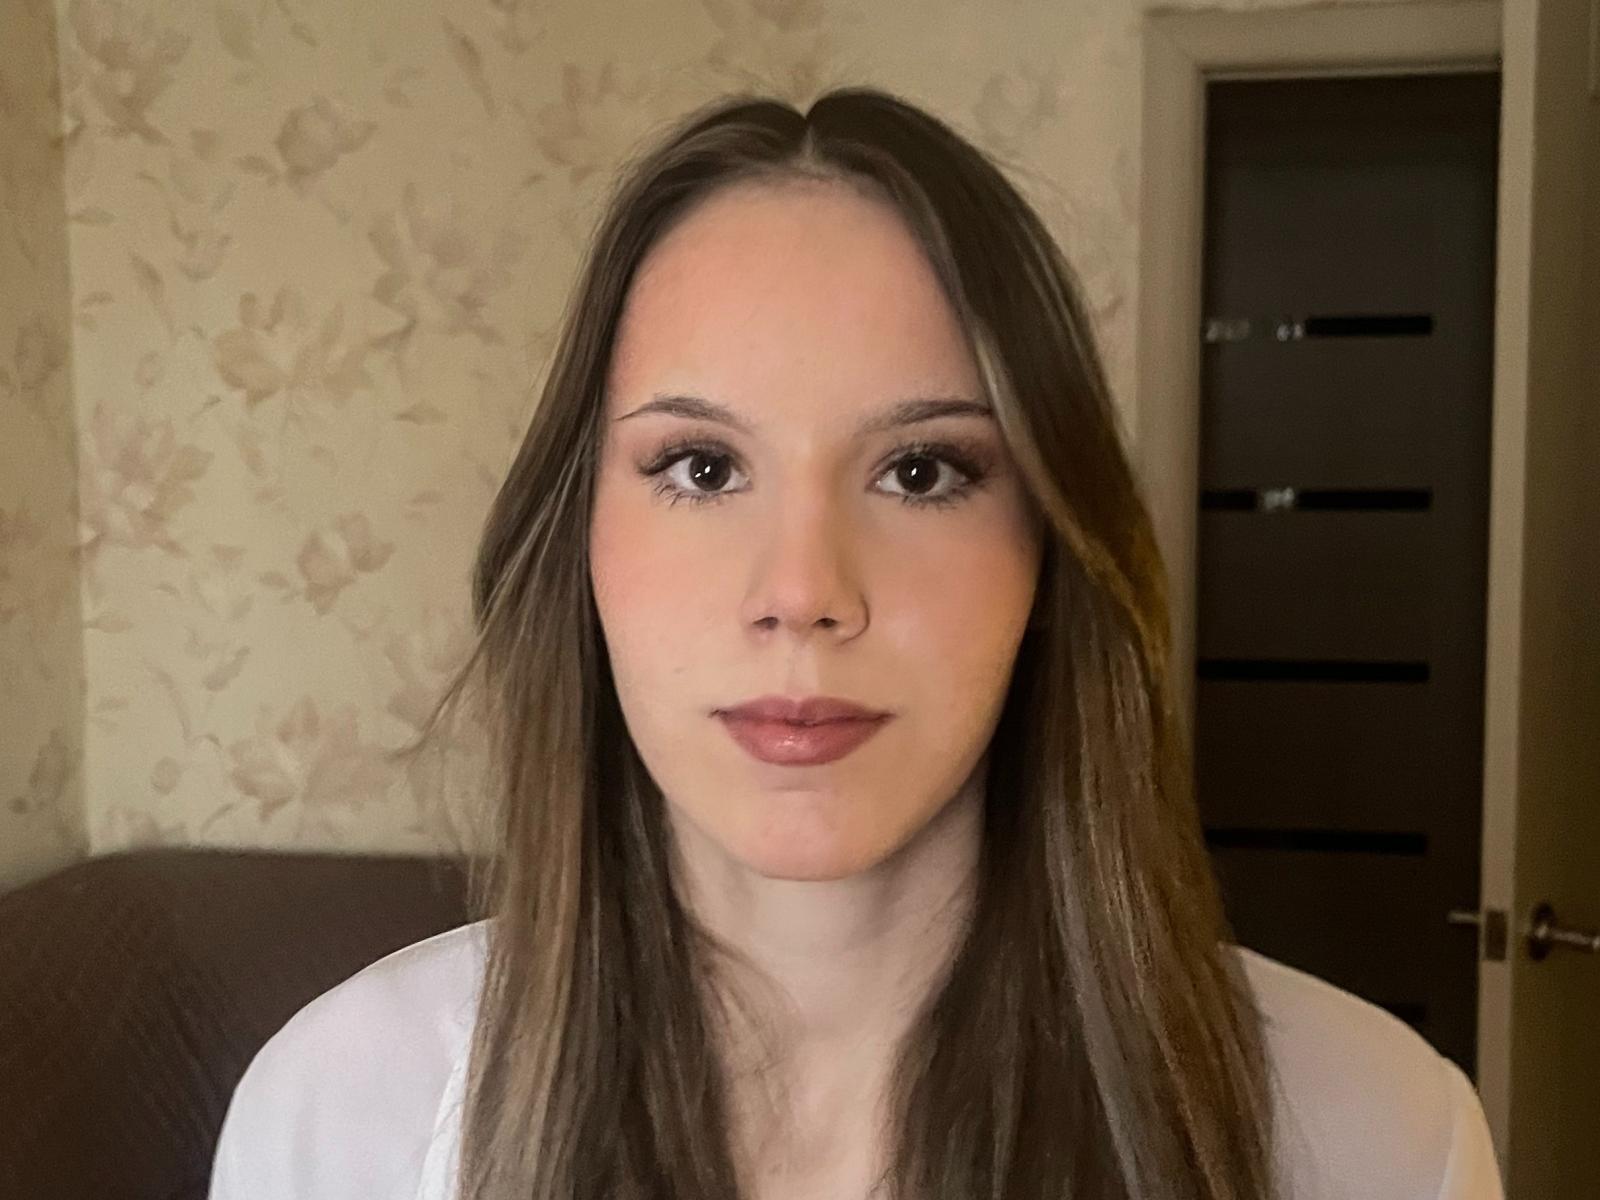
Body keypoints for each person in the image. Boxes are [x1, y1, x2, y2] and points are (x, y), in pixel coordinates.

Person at [206, 87, 1504, 1200]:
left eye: (924, 471)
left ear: (1051, 551)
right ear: (578, 544)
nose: (803, 591)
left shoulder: (1377, 1136)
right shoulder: (338, 1121)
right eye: (703, 467)